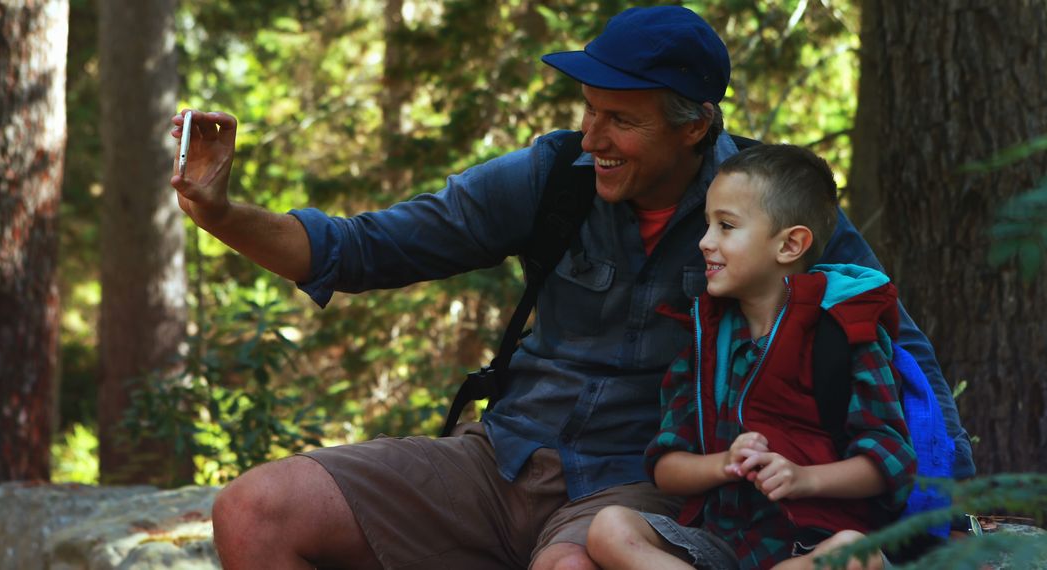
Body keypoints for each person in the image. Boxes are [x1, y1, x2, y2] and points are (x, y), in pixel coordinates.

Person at [169, 6, 971, 569]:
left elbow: (895, 345)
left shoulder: (770, 208)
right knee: (255, 511)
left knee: (573, 565)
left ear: (693, 126)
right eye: (587, 111)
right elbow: (360, 248)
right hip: (507, 453)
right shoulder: (555, 174)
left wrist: (952, 514)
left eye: (618, 119)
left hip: (645, 477)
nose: (592, 137)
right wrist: (221, 212)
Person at [586, 144, 915, 570]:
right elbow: (666, 467)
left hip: (812, 544)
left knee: (855, 554)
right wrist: (723, 464)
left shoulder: (844, 336)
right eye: (708, 225)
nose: (705, 242)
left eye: (726, 226)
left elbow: (889, 462)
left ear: (790, 244)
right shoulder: (706, 340)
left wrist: (804, 478)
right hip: (722, 546)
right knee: (609, 528)